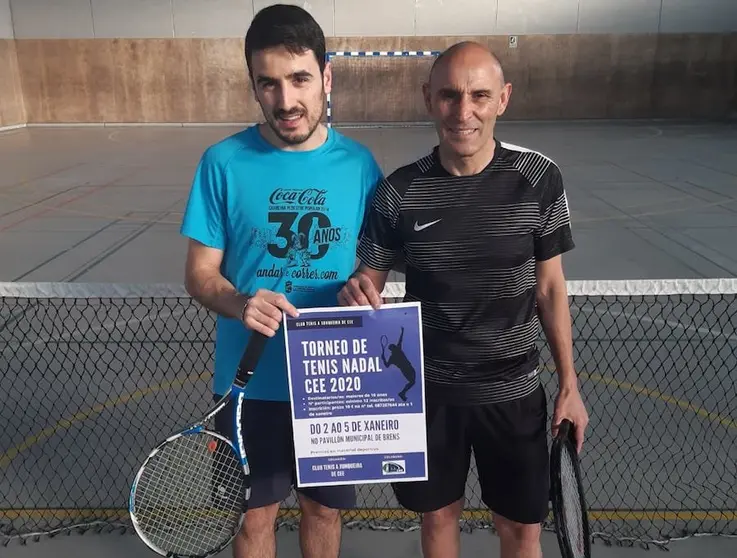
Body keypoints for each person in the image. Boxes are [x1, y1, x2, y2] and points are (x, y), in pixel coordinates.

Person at [338, 41, 589, 558]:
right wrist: (357, 292)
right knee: (438, 520)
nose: (463, 111)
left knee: (521, 531)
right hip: (430, 397)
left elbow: (550, 288)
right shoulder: (398, 193)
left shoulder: (539, 179)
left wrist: (569, 384)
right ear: (428, 99)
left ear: (503, 99)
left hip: (515, 395)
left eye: (479, 95)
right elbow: (369, 280)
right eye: (449, 96)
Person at [180, 5, 383, 558]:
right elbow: (200, 276)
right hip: (249, 386)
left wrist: (367, 284)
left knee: (323, 514)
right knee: (253, 522)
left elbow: (375, 262)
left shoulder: (361, 166)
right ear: (253, 86)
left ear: (326, 77)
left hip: (335, 381)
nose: (286, 101)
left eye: (299, 79)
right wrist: (241, 301)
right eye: (268, 84)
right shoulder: (221, 163)